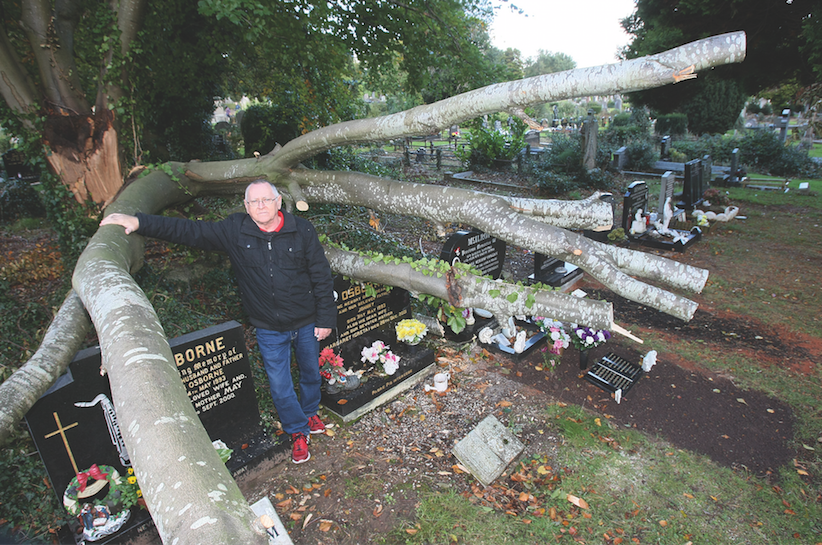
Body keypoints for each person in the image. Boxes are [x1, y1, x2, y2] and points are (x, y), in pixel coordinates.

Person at [100, 180, 336, 464]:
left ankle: (310, 412)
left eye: (266, 199)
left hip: (307, 321)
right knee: (280, 385)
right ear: (246, 207)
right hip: (269, 328)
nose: (261, 205)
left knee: (311, 373)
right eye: (254, 202)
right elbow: (189, 231)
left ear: (278, 201)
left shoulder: (302, 230)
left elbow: (321, 276)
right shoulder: (235, 230)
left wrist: (325, 318)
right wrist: (138, 222)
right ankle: (297, 430)